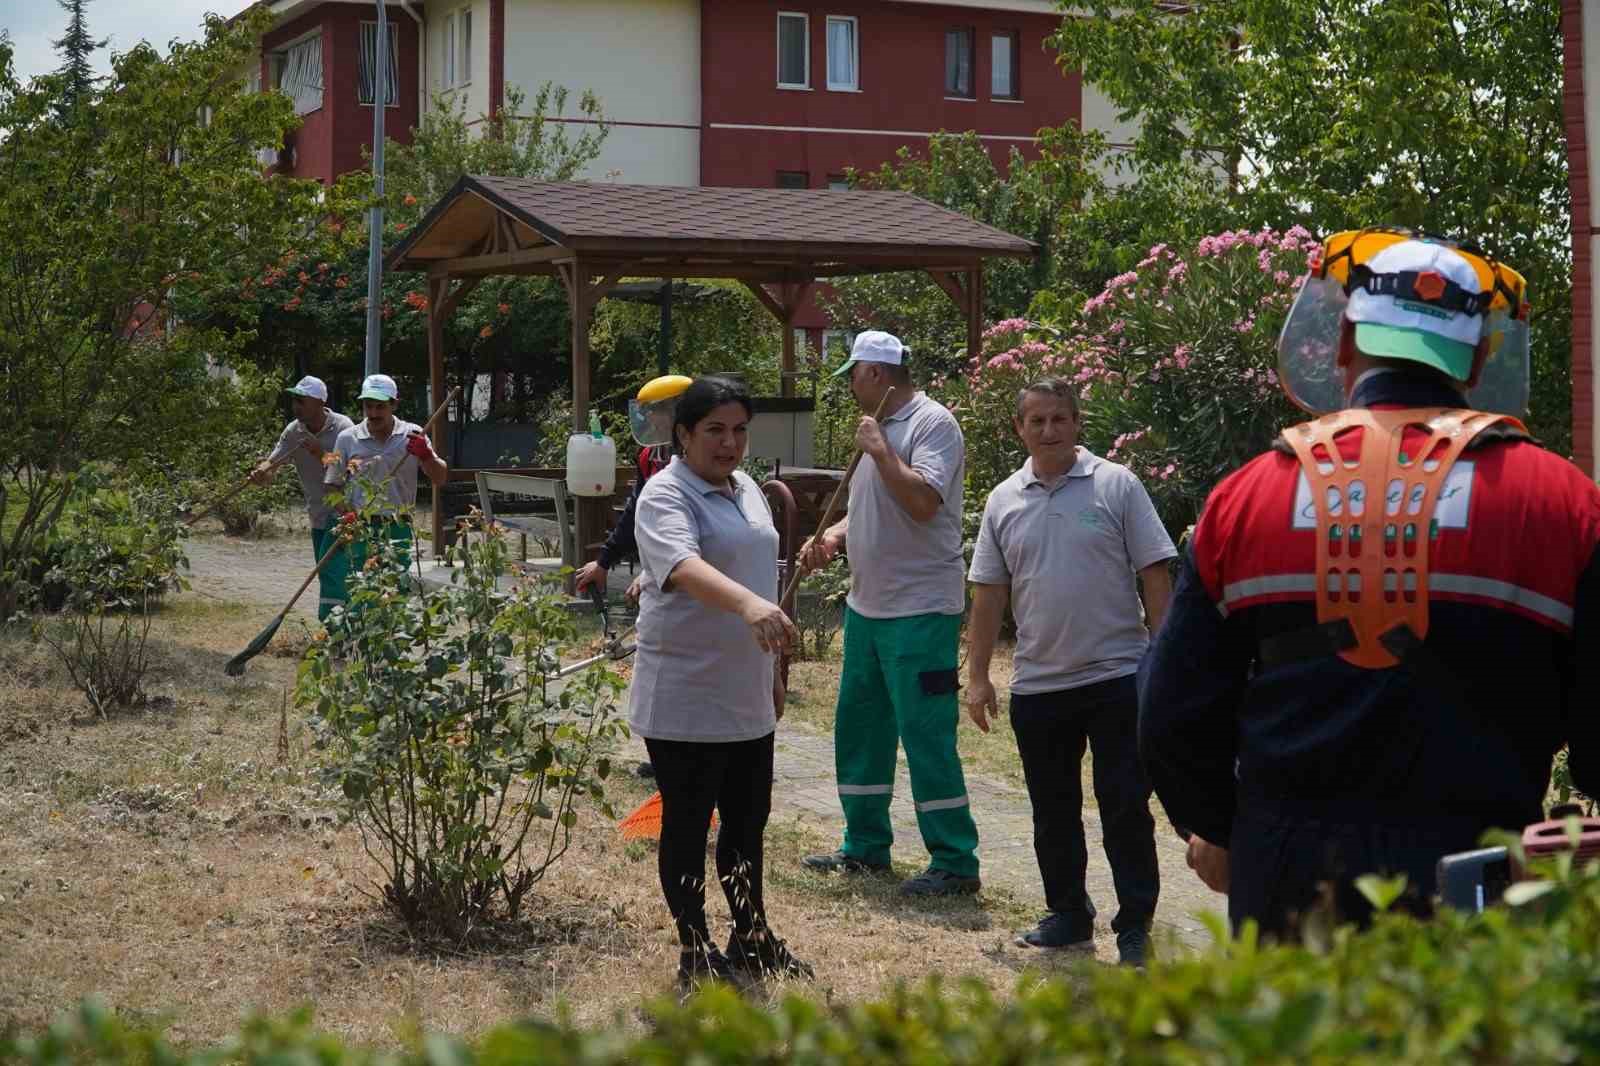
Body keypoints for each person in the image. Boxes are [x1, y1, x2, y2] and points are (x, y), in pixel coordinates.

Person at [1139, 230, 1600, 937]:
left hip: (1288, 878)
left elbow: (1170, 712)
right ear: (1476, 361)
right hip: (1482, 877)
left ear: (1346, 343)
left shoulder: (1246, 499)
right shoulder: (1563, 504)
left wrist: (1223, 829)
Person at [966, 378, 1175, 966]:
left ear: (1077, 423)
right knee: (1051, 809)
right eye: (1037, 422)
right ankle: (1068, 914)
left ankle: (1135, 925)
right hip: (1039, 684)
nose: (1049, 431)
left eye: (1059, 419)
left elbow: (1155, 574)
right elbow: (988, 592)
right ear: (1019, 429)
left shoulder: (1117, 485)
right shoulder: (1004, 499)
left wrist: (1163, 662)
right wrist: (979, 676)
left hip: (1118, 678)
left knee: (1125, 807)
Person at [627, 375, 811, 989]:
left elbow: (759, 568)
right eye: (714, 431)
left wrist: (771, 674)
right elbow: (681, 567)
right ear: (683, 434)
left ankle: (752, 936)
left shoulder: (749, 489)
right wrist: (748, 607)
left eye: (738, 430)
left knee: (747, 820)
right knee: (688, 820)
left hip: (745, 688)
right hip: (685, 690)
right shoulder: (665, 494)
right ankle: (695, 947)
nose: (729, 443)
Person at [798, 330, 981, 897]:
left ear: (875, 374)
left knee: (925, 735)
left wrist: (880, 449)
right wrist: (833, 535)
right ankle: (865, 846)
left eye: (852, 375)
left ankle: (954, 860)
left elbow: (923, 503)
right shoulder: (877, 431)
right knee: (860, 729)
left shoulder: (933, 425)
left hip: (921, 611)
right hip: (866, 609)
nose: (849, 386)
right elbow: (874, 512)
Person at [322, 374, 448, 596]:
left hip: (398, 526)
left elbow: (440, 477)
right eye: (368, 406)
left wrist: (427, 455)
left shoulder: (413, 435)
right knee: (361, 590)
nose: (373, 413)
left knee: (395, 592)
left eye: (380, 407)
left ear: (394, 404)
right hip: (360, 526)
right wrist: (347, 514)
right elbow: (332, 483)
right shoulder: (346, 438)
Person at [575, 374, 692, 603]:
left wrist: (651, 571)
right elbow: (635, 513)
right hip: (662, 568)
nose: (649, 418)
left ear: (677, 413)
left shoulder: (699, 460)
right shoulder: (649, 457)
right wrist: (603, 563)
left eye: (655, 411)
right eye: (647, 411)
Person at [249, 375, 355, 621]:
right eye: (294, 400)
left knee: (331, 572)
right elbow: (273, 462)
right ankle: (344, 627)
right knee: (329, 573)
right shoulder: (294, 431)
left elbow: (349, 470)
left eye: (301, 401)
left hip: (343, 511)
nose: (295, 406)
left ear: (319, 402)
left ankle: (332, 630)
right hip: (317, 513)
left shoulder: (343, 428)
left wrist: (320, 453)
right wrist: (262, 472)